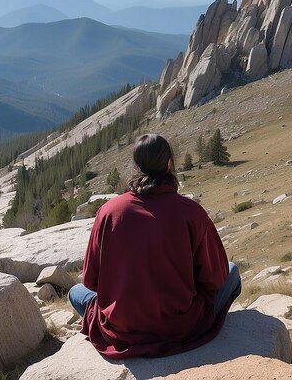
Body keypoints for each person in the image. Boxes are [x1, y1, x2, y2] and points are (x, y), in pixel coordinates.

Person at [68, 134, 241, 359]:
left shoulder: (109, 212)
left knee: (75, 292)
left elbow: (90, 281)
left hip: (122, 328)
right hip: (180, 327)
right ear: (169, 164)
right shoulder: (191, 213)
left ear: (138, 167)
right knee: (233, 271)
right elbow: (216, 276)